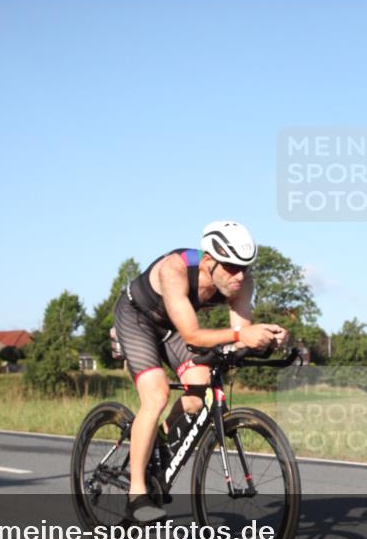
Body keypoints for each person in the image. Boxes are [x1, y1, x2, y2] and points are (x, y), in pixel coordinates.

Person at [112, 221, 288, 523]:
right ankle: (136, 493)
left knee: (198, 392)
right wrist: (239, 337)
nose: (240, 275)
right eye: (231, 267)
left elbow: (239, 337)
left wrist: (269, 340)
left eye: (245, 267)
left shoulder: (242, 282)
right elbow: (193, 336)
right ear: (209, 260)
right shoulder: (175, 269)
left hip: (173, 328)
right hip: (137, 319)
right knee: (156, 396)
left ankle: (158, 444)